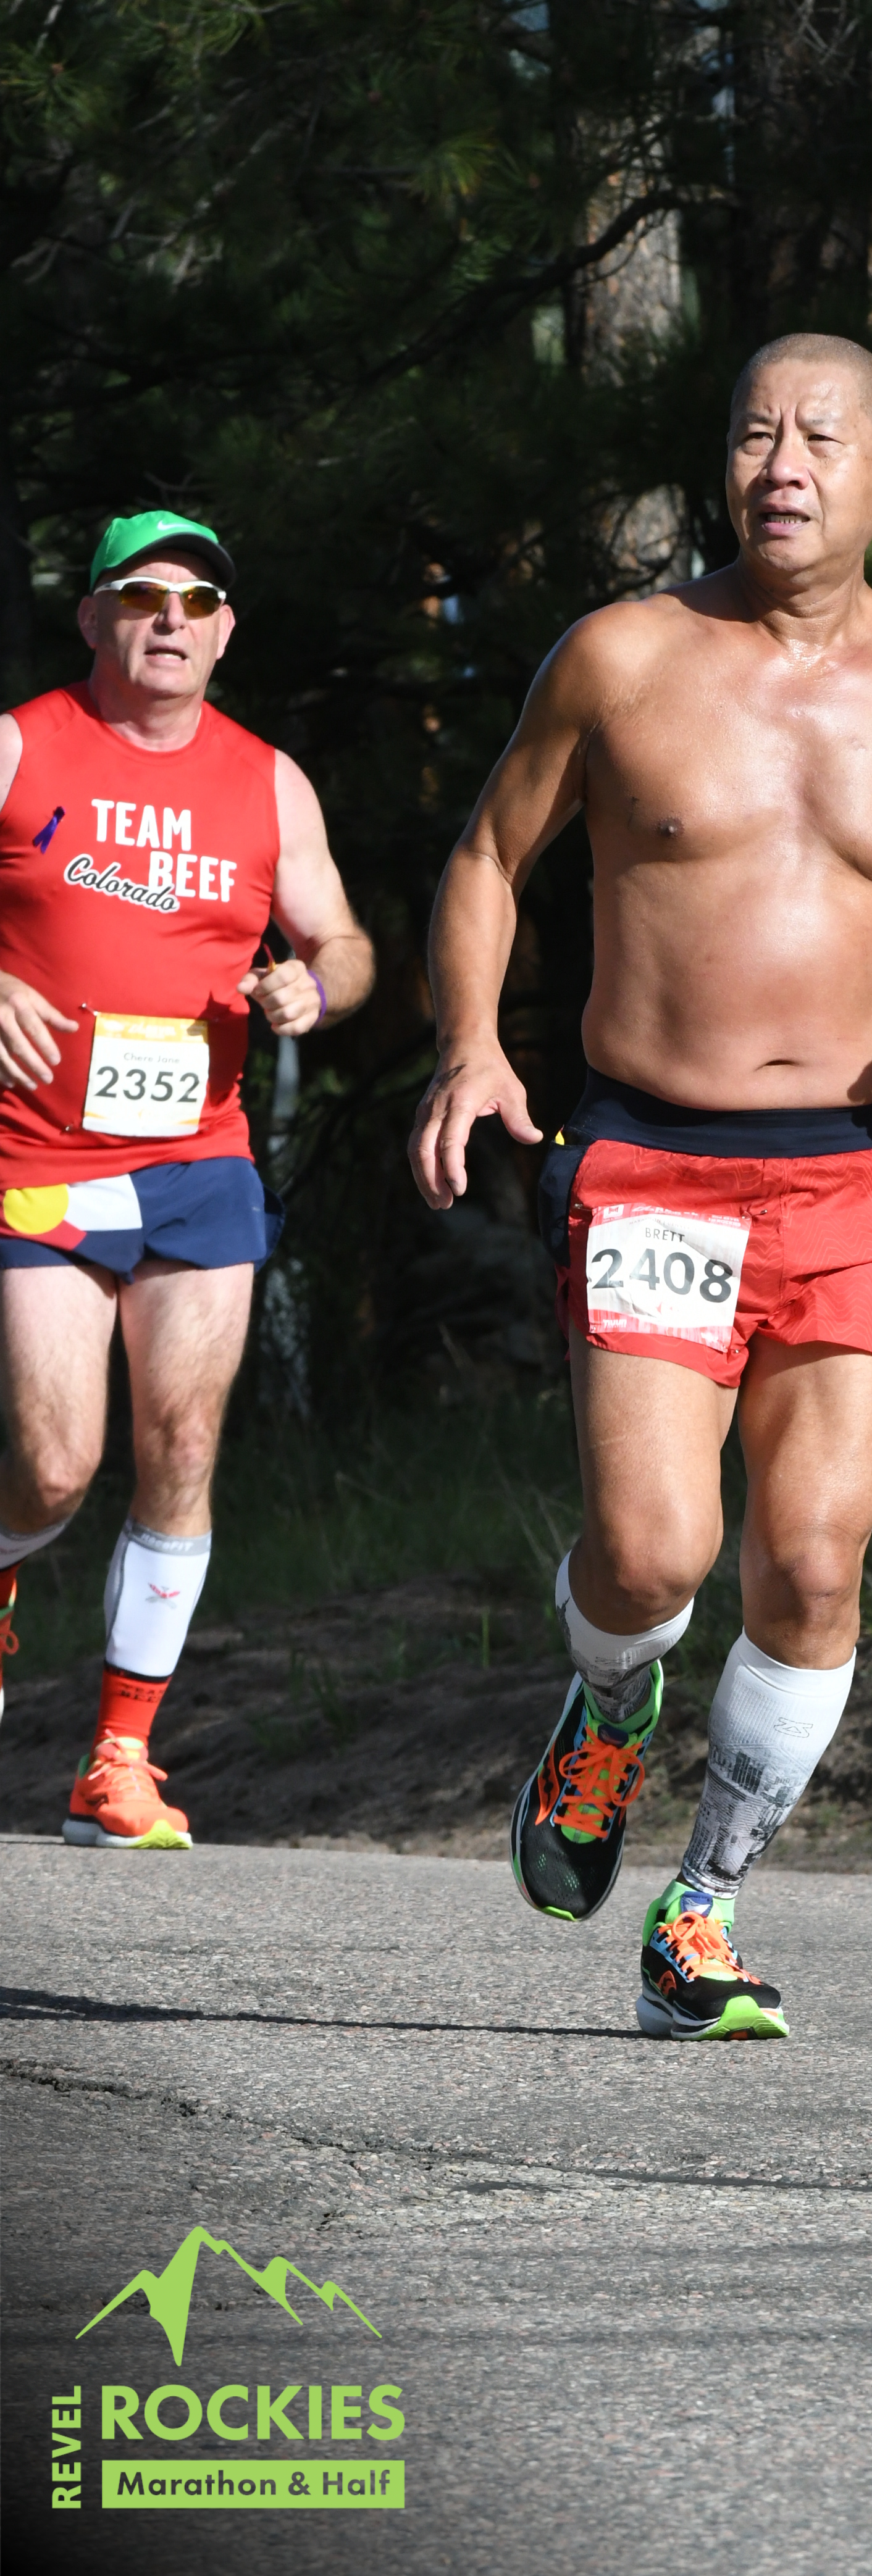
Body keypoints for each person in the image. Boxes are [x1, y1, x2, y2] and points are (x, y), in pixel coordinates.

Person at [409, 333, 872, 2037]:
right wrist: (471, 1045)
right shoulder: (624, 659)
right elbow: (488, 855)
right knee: (652, 1557)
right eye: (756, 433)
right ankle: (608, 1706)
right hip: (654, 1161)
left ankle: (699, 1913)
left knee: (816, 1563)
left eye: (821, 437)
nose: (782, 464)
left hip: (862, 1176)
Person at [0, 509, 374, 1849]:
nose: (172, 619)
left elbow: (345, 941)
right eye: (143, 595)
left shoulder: (269, 783)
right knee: (54, 1468)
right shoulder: (21, 745)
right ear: (94, 617)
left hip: (197, 1163)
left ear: (225, 634)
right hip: (37, 1161)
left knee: (184, 1447)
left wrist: (316, 987)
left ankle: (119, 1758)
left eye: (199, 602)